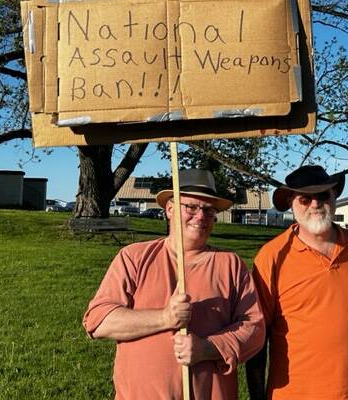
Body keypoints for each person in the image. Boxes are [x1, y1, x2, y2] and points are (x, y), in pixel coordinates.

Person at [83, 169, 265, 400]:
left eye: (209, 210)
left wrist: (207, 348)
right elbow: (98, 321)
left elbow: (255, 329)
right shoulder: (134, 257)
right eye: (191, 207)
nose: (200, 216)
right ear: (169, 209)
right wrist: (165, 318)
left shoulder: (231, 265)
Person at [246, 165, 348, 400]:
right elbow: (256, 336)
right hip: (294, 393)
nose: (315, 204)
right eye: (305, 199)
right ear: (292, 204)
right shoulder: (272, 255)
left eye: (323, 195)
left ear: (334, 198)